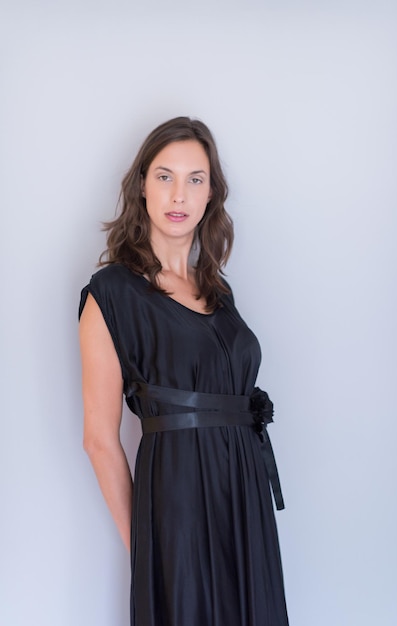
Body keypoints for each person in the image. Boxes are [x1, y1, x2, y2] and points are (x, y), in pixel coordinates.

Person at [79, 116, 289, 626]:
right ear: (142, 187)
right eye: (165, 176)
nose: (179, 194)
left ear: (211, 193)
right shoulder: (110, 293)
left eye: (195, 178)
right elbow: (100, 439)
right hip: (177, 505)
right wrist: (147, 546)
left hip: (244, 502)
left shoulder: (219, 292)